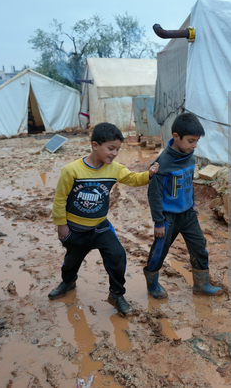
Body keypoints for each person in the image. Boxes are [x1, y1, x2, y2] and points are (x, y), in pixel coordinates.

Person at [49, 122, 159, 316]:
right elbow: (60, 198)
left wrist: (148, 175)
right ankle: (68, 283)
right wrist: (61, 225)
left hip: (100, 228)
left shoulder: (114, 169)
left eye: (117, 149)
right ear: (95, 145)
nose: (115, 153)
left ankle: (116, 295)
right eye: (111, 148)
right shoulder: (72, 170)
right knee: (71, 262)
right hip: (75, 229)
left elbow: (133, 179)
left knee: (118, 256)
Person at [144, 112, 223, 299]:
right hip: (168, 217)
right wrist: (158, 222)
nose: (194, 145)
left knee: (199, 245)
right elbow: (153, 194)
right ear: (176, 137)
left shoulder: (190, 156)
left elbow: (189, 183)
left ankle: (201, 285)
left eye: (197, 141)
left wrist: (193, 203)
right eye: (190, 141)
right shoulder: (162, 163)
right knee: (159, 250)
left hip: (188, 214)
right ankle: (152, 284)